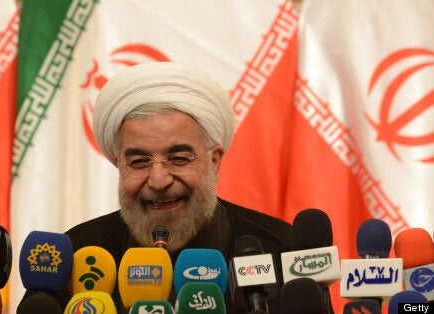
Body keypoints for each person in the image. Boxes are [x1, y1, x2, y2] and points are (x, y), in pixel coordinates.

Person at [20, 62, 293, 313]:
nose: (159, 180)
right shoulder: (75, 256)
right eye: (139, 162)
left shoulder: (281, 251)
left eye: (178, 159)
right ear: (119, 164)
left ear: (214, 161)